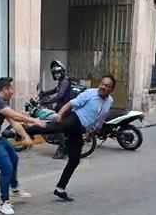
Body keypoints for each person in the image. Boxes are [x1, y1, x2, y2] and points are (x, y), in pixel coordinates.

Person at [22, 74, 115, 202]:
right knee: (52, 128)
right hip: (74, 119)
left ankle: (60, 189)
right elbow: (71, 104)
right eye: (102, 84)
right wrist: (60, 114)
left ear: (111, 89)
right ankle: (22, 130)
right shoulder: (90, 94)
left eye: (107, 86)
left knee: (75, 159)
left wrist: (92, 131)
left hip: (80, 130)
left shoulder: (109, 101)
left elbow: (100, 118)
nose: (103, 87)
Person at [0, 77, 47, 215]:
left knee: (14, 158)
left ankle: (15, 189)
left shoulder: (2, 101)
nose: (13, 92)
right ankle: (4, 202)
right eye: (11, 89)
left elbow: (14, 122)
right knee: (7, 167)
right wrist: (34, 121)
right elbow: (16, 115)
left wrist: (26, 136)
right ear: (5, 89)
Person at [41, 60, 76, 160]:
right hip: (62, 108)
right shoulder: (61, 82)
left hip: (66, 109)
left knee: (56, 126)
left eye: (58, 73)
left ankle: (63, 148)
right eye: (55, 73)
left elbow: (60, 95)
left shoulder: (64, 82)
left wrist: (48, 101)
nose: (56, 75)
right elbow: (55, 90)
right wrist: (44, 93)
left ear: (62, 72)